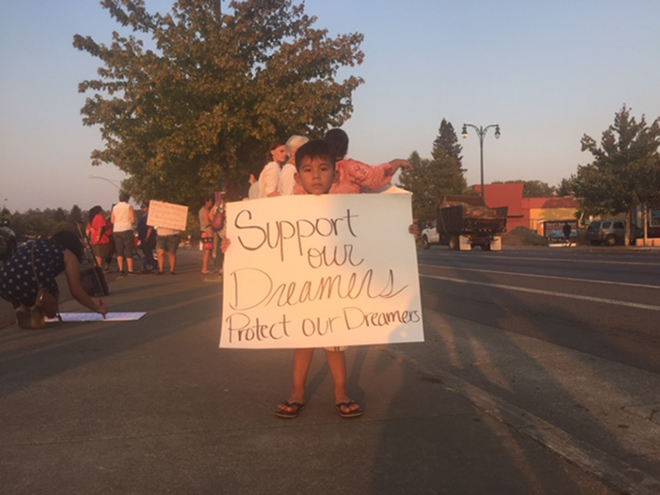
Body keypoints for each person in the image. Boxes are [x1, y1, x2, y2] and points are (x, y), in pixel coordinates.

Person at [222, 140, 417, 420]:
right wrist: (236, 248)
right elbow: (264, 246)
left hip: (337, 291)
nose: (316, 176)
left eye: (323, 169)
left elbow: (379, 235)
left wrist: (403, 232)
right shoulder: (288, 211)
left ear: (334, 172)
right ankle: (296, 393)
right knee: (303, 341)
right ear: (298, 175)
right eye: (308, 170)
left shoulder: (353, 207)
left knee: (335, 343)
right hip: (303, 290)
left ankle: (341, 393)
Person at [0, 231, 109, 329]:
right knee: (47, 293)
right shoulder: (68, 254)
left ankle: (22, 308)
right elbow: (76, 291)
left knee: (23, 284)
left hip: (4, 281)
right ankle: (38, 311)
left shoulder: (36, 244)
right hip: (33, 279)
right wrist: (98, 308)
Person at [314, 128, 411, 194]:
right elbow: (376, 176)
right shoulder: (351, 168)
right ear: (346, 151)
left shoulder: (316, 169)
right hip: (350, 218)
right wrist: (397, 162)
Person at [111, 191, 136, 275]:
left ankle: (121, 269)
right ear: (127, 199)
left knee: (119, 250)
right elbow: (133, 220)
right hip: (127, 229)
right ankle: (130, 269)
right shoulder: (129, 207)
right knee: (128, 249)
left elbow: (112, 220)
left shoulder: (114, 208)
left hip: (117, 230)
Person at [86, 205, 113, 270]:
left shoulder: (91, 220)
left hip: (95, 240)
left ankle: (98, 268)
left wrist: (88, 240)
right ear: (99, 211)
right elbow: (100, 227)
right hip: (102, 240)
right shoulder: (99, 217)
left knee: (98, 255)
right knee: (100, 255)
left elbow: (87, 231)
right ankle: (99, 269)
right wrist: (99, 236)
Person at [136, 203, 157, 273]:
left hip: (148, 237)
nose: (142, 208)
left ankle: (152, 266)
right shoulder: (143, 216)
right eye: (141, 207)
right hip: (142, 236)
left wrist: (147, 237)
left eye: (144, 207)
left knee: (148, 252)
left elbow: (150, 227)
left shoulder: (149, 216)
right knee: (146, 252)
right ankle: (148, 266)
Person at [199, 196, 216, 274]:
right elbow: (207, 222)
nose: (211, 203)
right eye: (210, 201)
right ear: (206, 202)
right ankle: (204, 268)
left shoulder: (202, 210)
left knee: (207, 251)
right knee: (207, 251)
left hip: (204, 232)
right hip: (207, 232)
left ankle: (205, 268)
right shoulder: (205, 211)